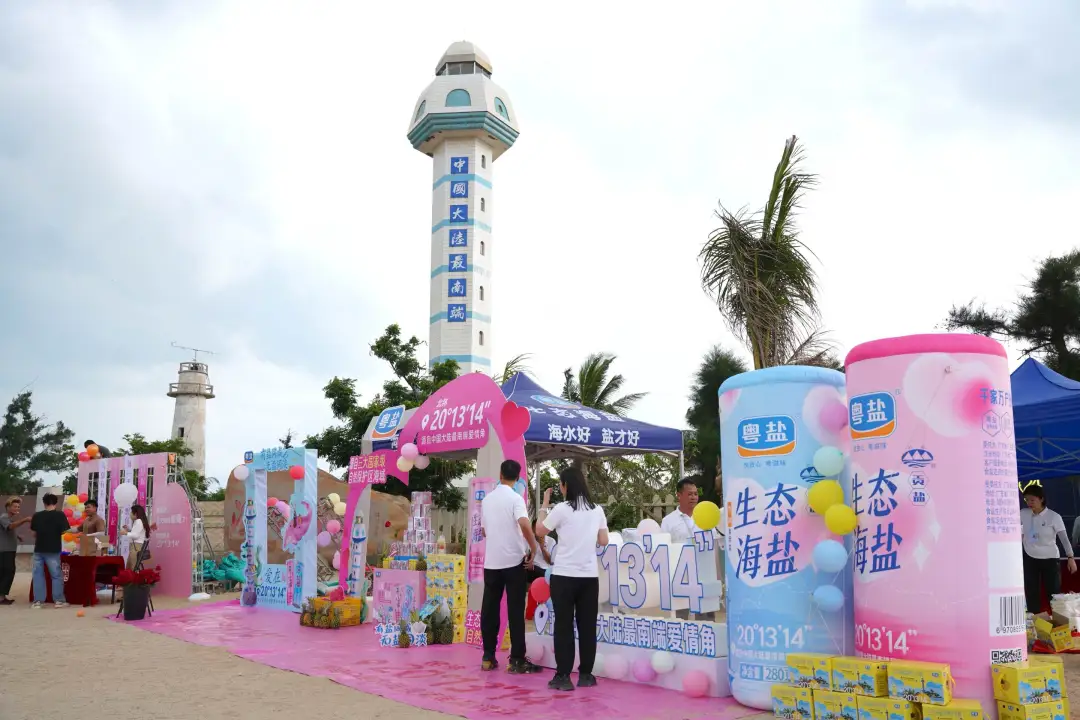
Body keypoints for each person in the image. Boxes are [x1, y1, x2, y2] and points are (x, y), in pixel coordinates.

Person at [536, 466, 609, 692]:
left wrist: (544, 506)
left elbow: (540, 530)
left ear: (566, 485)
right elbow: (604, 540)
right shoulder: (597, 510)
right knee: (587, 626)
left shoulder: (562, 509)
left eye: (561, 484)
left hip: (564, 576)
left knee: (564, 626)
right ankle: (586, 674)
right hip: (589, 577)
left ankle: (563, 676)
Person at [479, 459, 543, 674]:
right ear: (518, 478)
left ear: (500, 474)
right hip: (514, 561)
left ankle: (488, 656)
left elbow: (484, 531)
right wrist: (533, 547)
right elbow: (524, 523)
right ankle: (516, 659)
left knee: (490, 609)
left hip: (492, 563)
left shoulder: (487, 500)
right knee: (515, 611)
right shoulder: (516, 498)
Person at [1020, 485, 1077, 613]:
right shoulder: (1023, 513)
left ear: (1041, 499)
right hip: (1029, 556)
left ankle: (1057, 616)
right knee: (1031, 590)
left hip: (1050, 558)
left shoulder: (1054, 517)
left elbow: (1064, 539)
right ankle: (1034, 617)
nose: (1029, 503)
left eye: (1032, 500)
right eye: (1027, 500)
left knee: (1053, 591)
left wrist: (1070, 557)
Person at [30, 493, 70, 608]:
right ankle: (58, 601)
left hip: (39, 548)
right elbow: (64, 531)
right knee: (56, 575)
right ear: (56, 503)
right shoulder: (60, 515)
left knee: (38, 575)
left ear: (44, 503)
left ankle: (38, 601)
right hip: (53, 548)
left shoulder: (37, 515)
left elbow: (33, 533)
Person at [661, 478, 723, 544]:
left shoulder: (706, 517)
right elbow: (664, 545)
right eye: (690, 494)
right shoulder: (668, 521)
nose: (693, 497)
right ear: (679, 495)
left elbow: (715, 541)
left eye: (696, 494)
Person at [1, 497, 33, 604]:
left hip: (9, 550)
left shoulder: (9, 518)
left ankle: (2, 596)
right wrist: (24, 520)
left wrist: (17, 536)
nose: (17, 508)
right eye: (15, 506)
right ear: (8, 507)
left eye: (18, 507)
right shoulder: (4, 517)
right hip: (4, 550)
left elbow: (8, 530)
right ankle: (1, 597)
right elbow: (9, 527)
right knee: (8, 572)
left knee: (7, 572)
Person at [121, 504, 151, 570]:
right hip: (136, 546)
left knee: (132, 567)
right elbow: (136, 533)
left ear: (135, 513)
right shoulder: (139, 521)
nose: (130, 514)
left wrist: (126, 533)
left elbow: (136, 536)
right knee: (132, 566)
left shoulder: (138, 521)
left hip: (135, 547)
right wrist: (129, 530)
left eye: (131, 512)